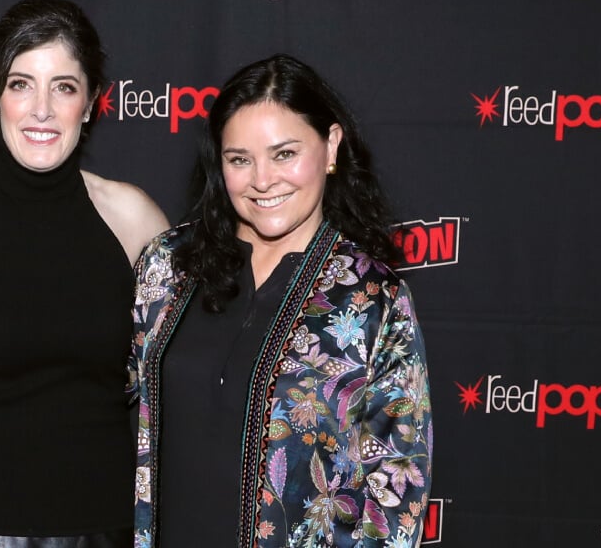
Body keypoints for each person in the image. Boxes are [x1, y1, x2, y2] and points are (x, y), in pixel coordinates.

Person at [130, 55, 432, 547]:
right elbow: (106, 391)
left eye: (284, 153)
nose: (262, 180)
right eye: (239, 159)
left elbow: (399, 490)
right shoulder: (168, 265)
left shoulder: (372, 296)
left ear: (331, 145)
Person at [0, 0, 170, 547]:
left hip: (102, 517)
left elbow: (184, 361)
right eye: (20, 84)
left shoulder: (134, 219)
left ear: (88, 104)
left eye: (63, 86)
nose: (41, 109)